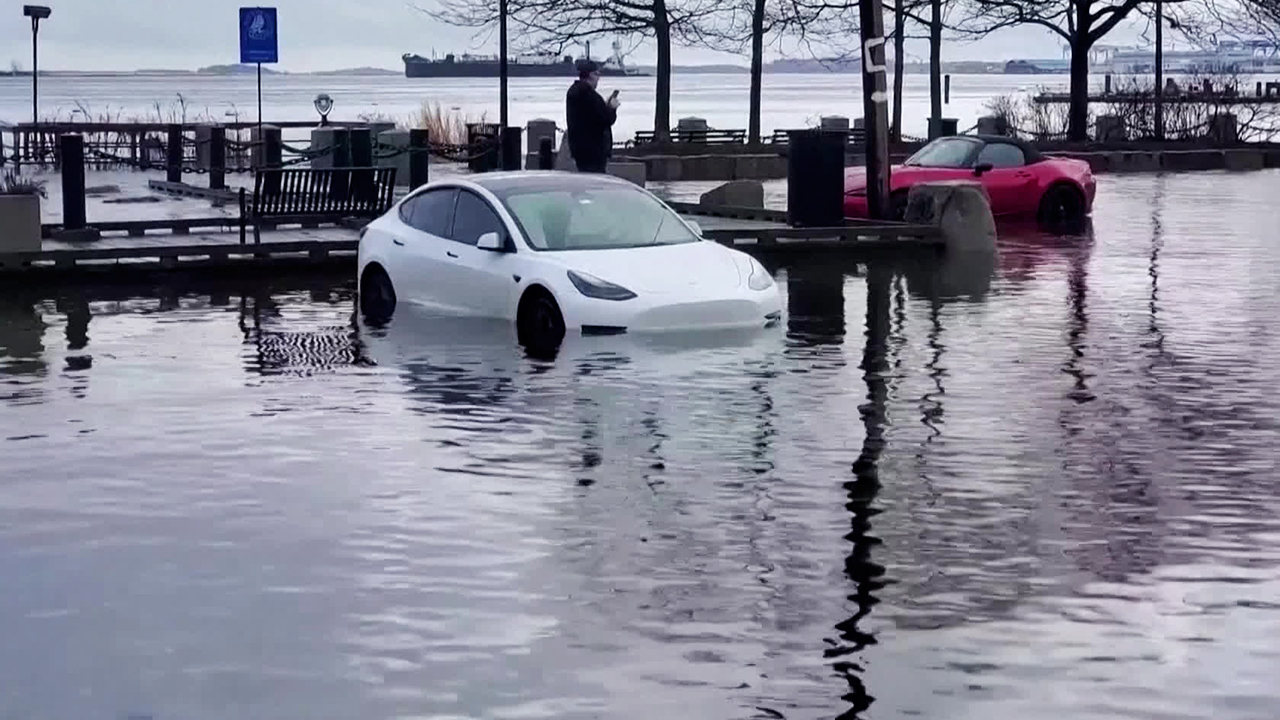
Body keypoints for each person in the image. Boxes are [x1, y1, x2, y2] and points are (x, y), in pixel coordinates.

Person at [565, 59, 619, 173]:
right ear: (591, 75)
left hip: (579, 148)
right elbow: (606, 119)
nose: (599, 78)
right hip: (593, 150)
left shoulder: (574, 91)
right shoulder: (589, 94)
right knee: (595, 182)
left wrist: (603, 106)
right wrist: (612, 108)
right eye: (597, 74)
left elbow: (589, 115)